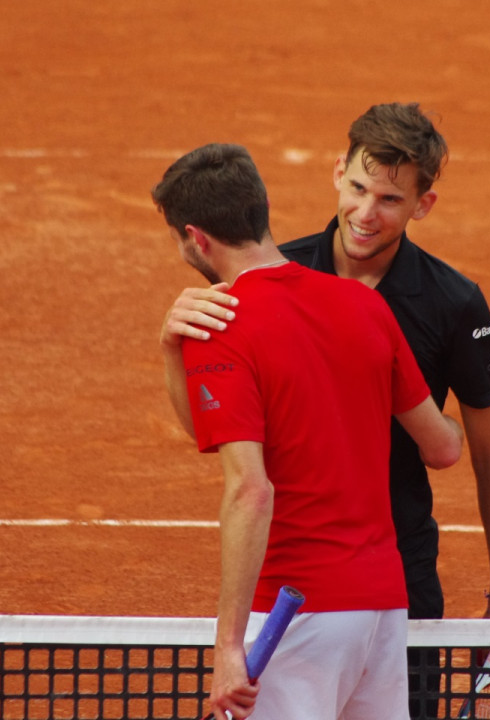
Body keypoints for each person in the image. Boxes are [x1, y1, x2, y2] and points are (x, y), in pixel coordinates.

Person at [163, 104, 490, 630]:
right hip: (292, 569)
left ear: (422, 205)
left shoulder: (453, 303)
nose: (365, 213)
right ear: (338, 172)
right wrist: (175, 349)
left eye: (389, 200)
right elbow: (213, 427)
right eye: (358, 188)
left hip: (399, 568)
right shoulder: (264, 281)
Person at [152, 142, 464, 720]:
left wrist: (227, 647)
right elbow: (444, 446)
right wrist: (174, 353)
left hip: (294, 618)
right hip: (383, 612)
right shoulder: (364, 306)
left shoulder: (220, 325)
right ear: (261, 206)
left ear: (197, 238)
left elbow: (250, 489)